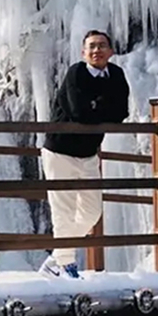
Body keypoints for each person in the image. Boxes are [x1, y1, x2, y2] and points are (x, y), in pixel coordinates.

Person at [40, 30, 130, 278]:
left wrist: (95, 107)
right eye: (91, 46)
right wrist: (102, 107)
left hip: (89, 153)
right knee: (64, 210)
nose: (96, 50)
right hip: (60, 151)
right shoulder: (76, 73)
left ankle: (55, 258)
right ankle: (66, 266)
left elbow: (121, 112)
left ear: (110, 52)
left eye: (102, 46)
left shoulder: (116, 75)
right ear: (83, 52)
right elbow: (78, 112)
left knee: (92, 212)